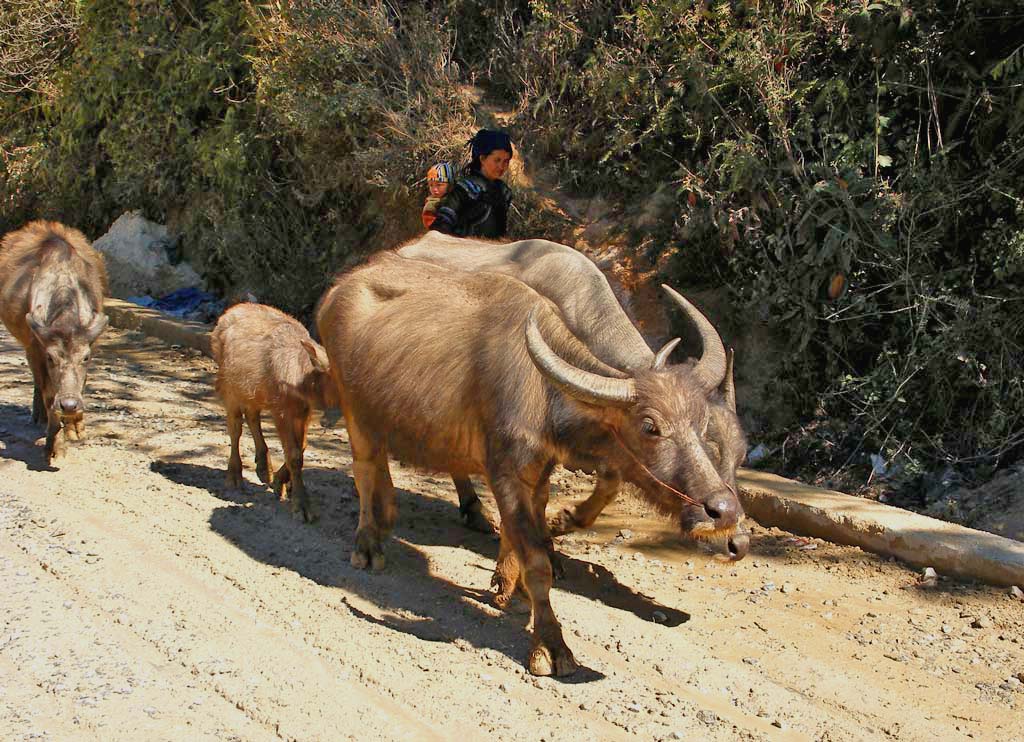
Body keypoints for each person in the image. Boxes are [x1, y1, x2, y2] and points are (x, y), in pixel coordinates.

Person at [430, 129, 514, 239]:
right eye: (497, 160)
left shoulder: (504, 191)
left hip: (494, 251)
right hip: (462, 250)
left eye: (506, 161)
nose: (501, 166)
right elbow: (442, 224)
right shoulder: (465, 188)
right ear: (482, 159)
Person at [421, 161, 456, 230]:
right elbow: (431, 225)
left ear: (450, 185)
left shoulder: (457, 198)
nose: (434, 189)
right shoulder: (431, 204)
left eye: (439, 185)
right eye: (431, 185)